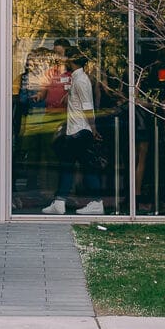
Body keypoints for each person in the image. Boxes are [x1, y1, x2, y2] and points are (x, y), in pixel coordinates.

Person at [46, 53, 105, 214]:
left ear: (73, 61)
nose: (65, 60)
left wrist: (93, 129)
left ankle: (96, 201)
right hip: (76, 130)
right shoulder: (77, 79)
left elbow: (87, 106)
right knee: (69, 165)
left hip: (80, 130)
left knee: (83, 166)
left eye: (67, 58)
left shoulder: (81, 80)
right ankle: (60, 201)